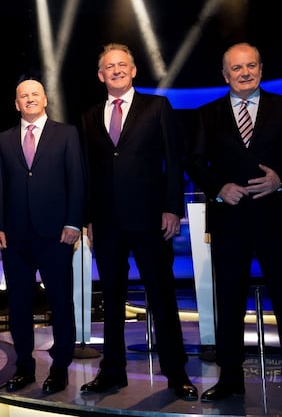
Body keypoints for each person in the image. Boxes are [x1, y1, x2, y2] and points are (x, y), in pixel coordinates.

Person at [184, 42, 282, 412]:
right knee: (229, 303)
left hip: (276, 220)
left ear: (261, 69)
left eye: (251, 66)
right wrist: (218, 187)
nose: (244, 73)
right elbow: (194, 162)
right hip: (230, 221)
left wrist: (281, 177)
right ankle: (229, 380)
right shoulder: (206, 114)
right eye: (236, 68)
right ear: (225, 75)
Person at [79, 43, 197, 400]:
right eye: (108, 66)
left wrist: (172, 208)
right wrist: (88, 220)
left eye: (122, 64)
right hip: (107, 223)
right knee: (111, 300)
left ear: (133, 71)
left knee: (161, 296)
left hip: (151, 219)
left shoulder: (157, 107)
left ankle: (176, 374)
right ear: (100, 75)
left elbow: (174, 162)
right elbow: (87, 173)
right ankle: (111, 371)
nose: (115, 70)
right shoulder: (87, 116)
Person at [0, 78, 85, 394]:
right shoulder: (3, 139)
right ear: (16, 104)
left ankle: (60, 367)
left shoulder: (67, 133)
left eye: (34, 94)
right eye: (23, 96)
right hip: (14, 236)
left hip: (57, 234)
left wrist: (73, 222)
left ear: (45, 99)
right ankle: (24, 367)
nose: (29, 99)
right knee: (18, 304)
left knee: (60, 301)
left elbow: (77, 180)